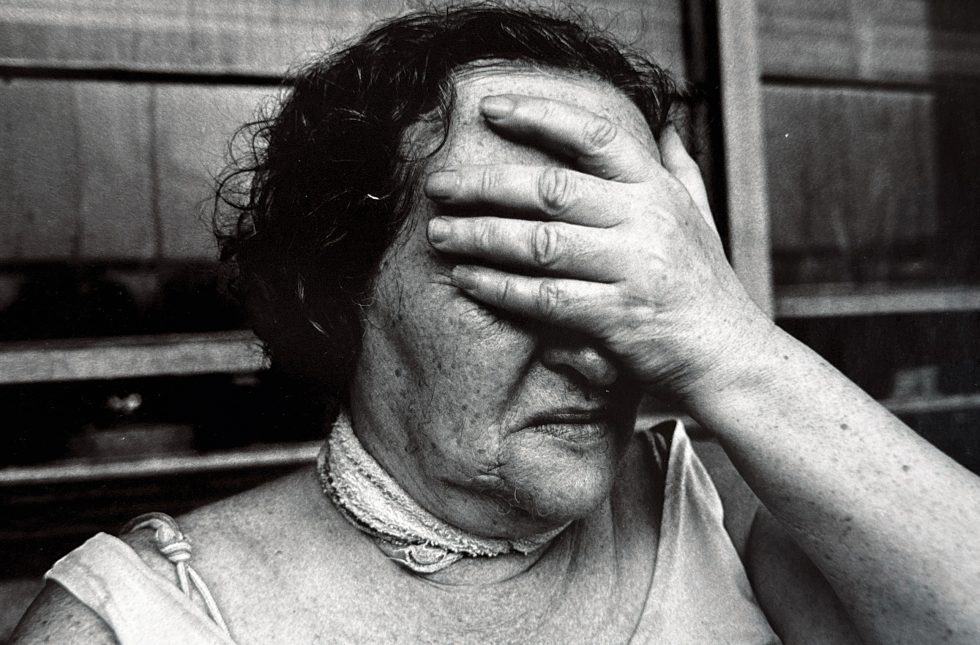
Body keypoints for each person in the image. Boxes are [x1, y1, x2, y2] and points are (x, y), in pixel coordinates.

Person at [12, 4, 980, 644]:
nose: (601, 344)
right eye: (524, 266)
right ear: (333, 290)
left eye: (635, 270)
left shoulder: (733, 508)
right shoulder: (145, 621)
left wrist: (725, 342)